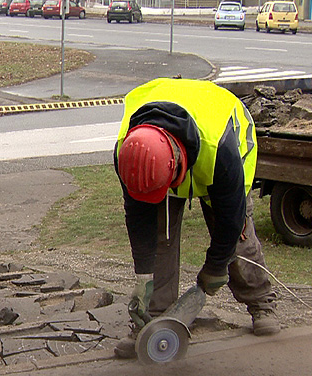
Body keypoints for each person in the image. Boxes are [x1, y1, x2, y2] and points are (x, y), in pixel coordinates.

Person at [113, 77, 280, 359]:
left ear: (177, 163)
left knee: (238, 239)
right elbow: (138, 220)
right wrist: (143, 276)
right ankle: (154, 321)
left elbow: (230, 220)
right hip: (160, 155)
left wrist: (215, 267)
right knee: (159, 237)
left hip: (218, 149)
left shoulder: (220, 151)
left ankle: (261, 304)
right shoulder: (129, 153)